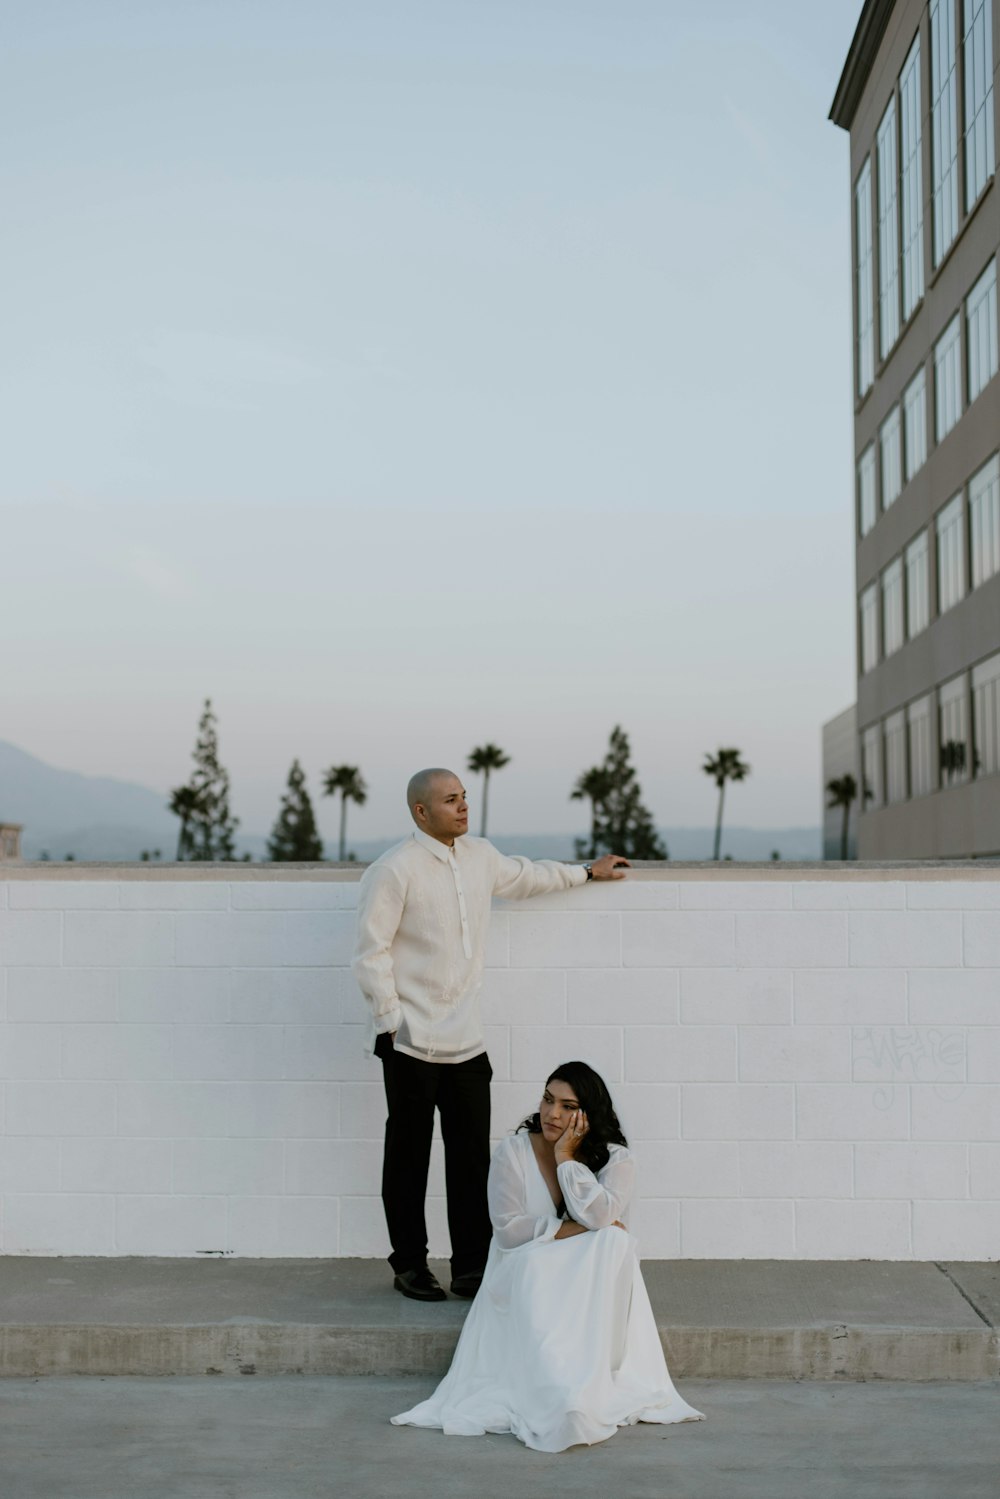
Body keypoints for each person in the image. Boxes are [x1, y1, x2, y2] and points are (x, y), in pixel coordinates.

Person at [352, 768, 628, 1303]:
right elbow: (370, 953)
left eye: (464, 798)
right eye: (449, 800)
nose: (462, 807)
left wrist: (586, 873)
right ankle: (410, 1265)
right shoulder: (393, 870)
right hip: (409, 1043)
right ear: (421, 812)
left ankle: (470, 1267)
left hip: (467, 1043)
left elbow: (526, 877)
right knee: (408, 1158)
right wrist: (391, 1021)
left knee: (470, 1160)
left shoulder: (479, 856)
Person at [391, 1061, 704, 1452]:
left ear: (589, 1113)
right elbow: (508, 1230)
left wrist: (567, 1159)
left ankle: (585, 1379)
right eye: (547, 1099)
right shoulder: (513, 1152)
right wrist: (573, 1229)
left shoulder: (617, 1159)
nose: (552, 1113)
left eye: (568, 1106)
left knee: (614, 1243)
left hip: (579, 1274)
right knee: (561, 1253)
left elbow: (602, 1216)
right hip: (525, 1267)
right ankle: (554, 1384)